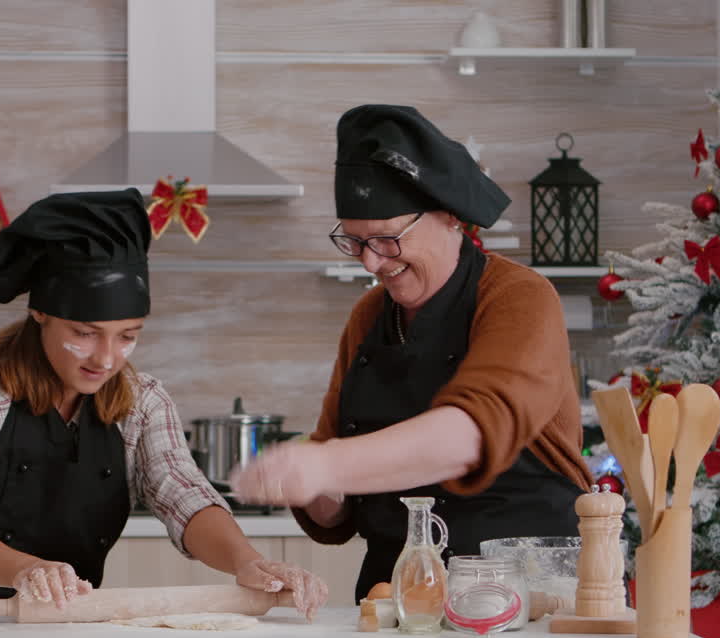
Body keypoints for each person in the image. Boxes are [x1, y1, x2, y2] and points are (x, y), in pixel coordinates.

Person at [0, 188, 328, 618]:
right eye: (84, 334)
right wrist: (28, 571)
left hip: (68, 623)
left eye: (127, 336)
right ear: (40, 314)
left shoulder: (143, 401)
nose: (106, 359)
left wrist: (246, 561)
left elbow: (186, 496)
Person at [229, 105, 593, 602]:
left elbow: (470, 435)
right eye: (354, 242)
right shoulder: (368, 318)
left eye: (387, 238)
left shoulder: (519, 298)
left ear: (448, 216)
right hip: (394, 595)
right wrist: (302, 482)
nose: (372, 262)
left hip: (521, 595)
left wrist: (326, 464)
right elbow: (338, 515)